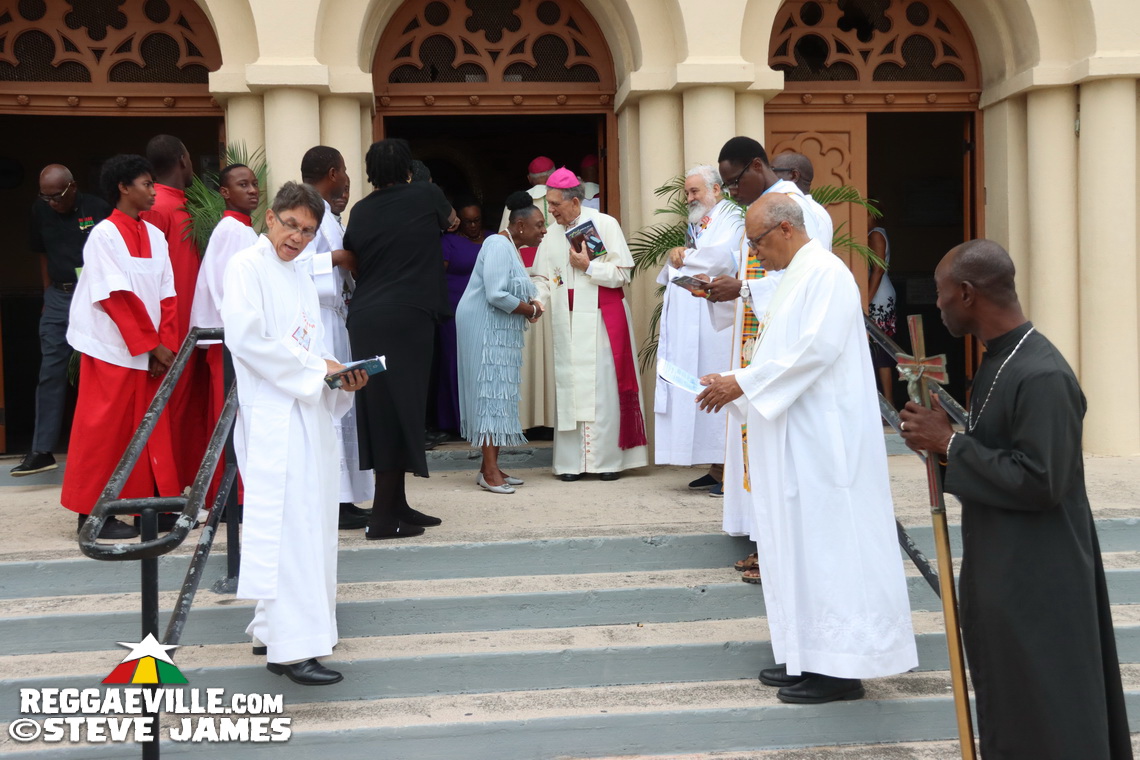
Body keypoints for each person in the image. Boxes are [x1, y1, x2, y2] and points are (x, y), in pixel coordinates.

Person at [898, 240, 1131, 758]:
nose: (938, 304)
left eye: (941, 292)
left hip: (1040, 583)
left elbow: (1041, 479)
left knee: (1050, 717)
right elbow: (998, 458)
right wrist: (941, 447)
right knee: (1015, 713)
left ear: (966, 293)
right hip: (1006, 572)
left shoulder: (1043, 374)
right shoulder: (999, 362)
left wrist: (950, 444)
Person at [697, 194, 917, 704]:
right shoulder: (798, 274)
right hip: (797, 437)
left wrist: (742, 383)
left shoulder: (827, 274)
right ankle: (806, 656)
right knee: (797, 547)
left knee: (829, 549)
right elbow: (778, 349)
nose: (754, 253)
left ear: (786, 230)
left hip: (825, 444)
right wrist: (736, 380)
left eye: (757, 242)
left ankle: (841, 671)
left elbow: (813, 351)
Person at [222, 181, 368, 686]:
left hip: (309, 414)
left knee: (312, 527)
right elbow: (248, 340)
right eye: (291, 226)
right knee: (289, 532)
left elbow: (313, 345)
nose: (298, 238)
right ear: (270, 218)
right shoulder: (246, 266)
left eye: (308, 231)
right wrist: (316, 371)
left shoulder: (302, 273)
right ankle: (291, 650)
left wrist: (340, 374)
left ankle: (275, 629)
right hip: (273, 417)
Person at [705, 136, 832, 578]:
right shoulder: (760, 212)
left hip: (787, 352)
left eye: (734, 182)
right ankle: (763, 540)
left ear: (758, 166)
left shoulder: (801, 212)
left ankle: (780, 551)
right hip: (757, 340)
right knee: (756, 447)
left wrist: (742, 287)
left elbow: (803, 282)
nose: (732, 192)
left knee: (783, 455)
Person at [62, 154, 181, 540]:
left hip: (151, 351)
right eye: (146, 184)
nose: (153, 191)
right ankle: (93, 515)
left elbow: (168, 295)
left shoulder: (157, 236)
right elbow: (113, 295)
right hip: (111, 348)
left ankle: (152, 509)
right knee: (105, 432)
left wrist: (165, 346)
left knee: (152, 429)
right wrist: (150, 345)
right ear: (123, 187)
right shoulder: (104, 235)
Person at [344, 138, 458, 539]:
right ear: (408, 169)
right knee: (401, 409)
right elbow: (452, 221)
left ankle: (397, 506)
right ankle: (381, 519)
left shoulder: (360, 210)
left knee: (382, 408)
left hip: (365, 318)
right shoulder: (426, 194)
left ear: (370, 173)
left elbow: (354, 254)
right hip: (407, 318)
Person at [531, 167, 648, 481]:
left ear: (574, 201)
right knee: (571, 387)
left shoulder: (603, 224)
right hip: (566, 321)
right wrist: (537, 301)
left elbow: (622, 274)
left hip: (601, 319)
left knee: (603, 389)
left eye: (555, 204)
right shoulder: (551, 234)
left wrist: (589, 266)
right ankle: (571, 463)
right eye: (549, 204)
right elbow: (543, 278)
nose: (550, 210)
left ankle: (608, 461)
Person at [11, 165, 111, 477]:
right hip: (58, 296)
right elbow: (41, 252)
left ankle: (106, 446)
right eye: (46, 196)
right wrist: (46, 293)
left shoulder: (97, 208)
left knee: (101, 370)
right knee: (50, 372)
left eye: (57, 196)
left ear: (73, 187)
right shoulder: (39, 210)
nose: (52, 202)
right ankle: (42, 450)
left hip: (93, 295)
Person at [297, 145, 373, 531]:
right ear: (332, 173)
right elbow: (292, 262)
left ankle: (343, 497)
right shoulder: (306, 210)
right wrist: (339, 258)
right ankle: (334, 500)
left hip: (336, 317)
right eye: (343, 170)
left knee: (342, 404)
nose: (345, 178)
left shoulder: (326, 214)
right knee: (330, 405)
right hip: (319, 322)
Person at [654, 165, 740, 496]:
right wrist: (679, 256)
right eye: (687, 192)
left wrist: (683, 255)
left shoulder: (731, 216)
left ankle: (730, 471)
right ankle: (716, 466)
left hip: (718, 320)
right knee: (701, 388)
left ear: (716, 189)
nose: (689, 198)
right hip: (698, 320)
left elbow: (722, 257)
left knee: (718, 387)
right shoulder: (701, 220)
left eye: (695, 191)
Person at [456, 191, 547, 493]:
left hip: (497, 329)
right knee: (489, 396)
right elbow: (495, 294)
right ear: (520, 226)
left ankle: (489, 467)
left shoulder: (509, 248)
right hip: (484, 327)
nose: (544, 231)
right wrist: (530, 310)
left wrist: (530, 304)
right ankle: (490, 472)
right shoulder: (497, 244)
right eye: (539, 225)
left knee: (498, 395)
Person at [140, 134, 210, 493]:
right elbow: (147, 278)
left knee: (188, 413)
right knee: (166, 412)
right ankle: (160, 495)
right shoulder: (157, 207)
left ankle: (184, 487)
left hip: (193, 328)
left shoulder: (186, 206)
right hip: (170, 334)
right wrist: (156, 341)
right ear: (183, 159)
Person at [189, 164, 260, 506]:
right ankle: (232, 496)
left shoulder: (242, 228)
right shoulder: (231, 230)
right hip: (231, 339)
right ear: (225, 192)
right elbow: (226, 289)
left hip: (237, 338)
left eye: (254, 184)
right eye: (243, 185)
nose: (252, 190)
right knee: (232, 416)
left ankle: (236, 493)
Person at [437, 197, 488, 435]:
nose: (473, 226)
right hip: (454, 312)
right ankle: (456, 421)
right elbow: (438, 276)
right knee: (454, 363)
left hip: (487, 311)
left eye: (477, 220)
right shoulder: (449, 242)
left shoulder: (493, 239)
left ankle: (484, 421)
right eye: (468, 222)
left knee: (484, 364)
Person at [770, 152, 834, 246]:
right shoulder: (799, 207)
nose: (769, 176)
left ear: (794, 175)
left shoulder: (806, 210)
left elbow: (810, 252)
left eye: (772, 170)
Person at [866, 216, 896, 400]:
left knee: (881, 349)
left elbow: (878, 270)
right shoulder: (875, 233)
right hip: (879, 295)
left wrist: (866, 300)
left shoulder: (876, 234)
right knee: (879, 349)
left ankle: (889, 401)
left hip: (879, 298)